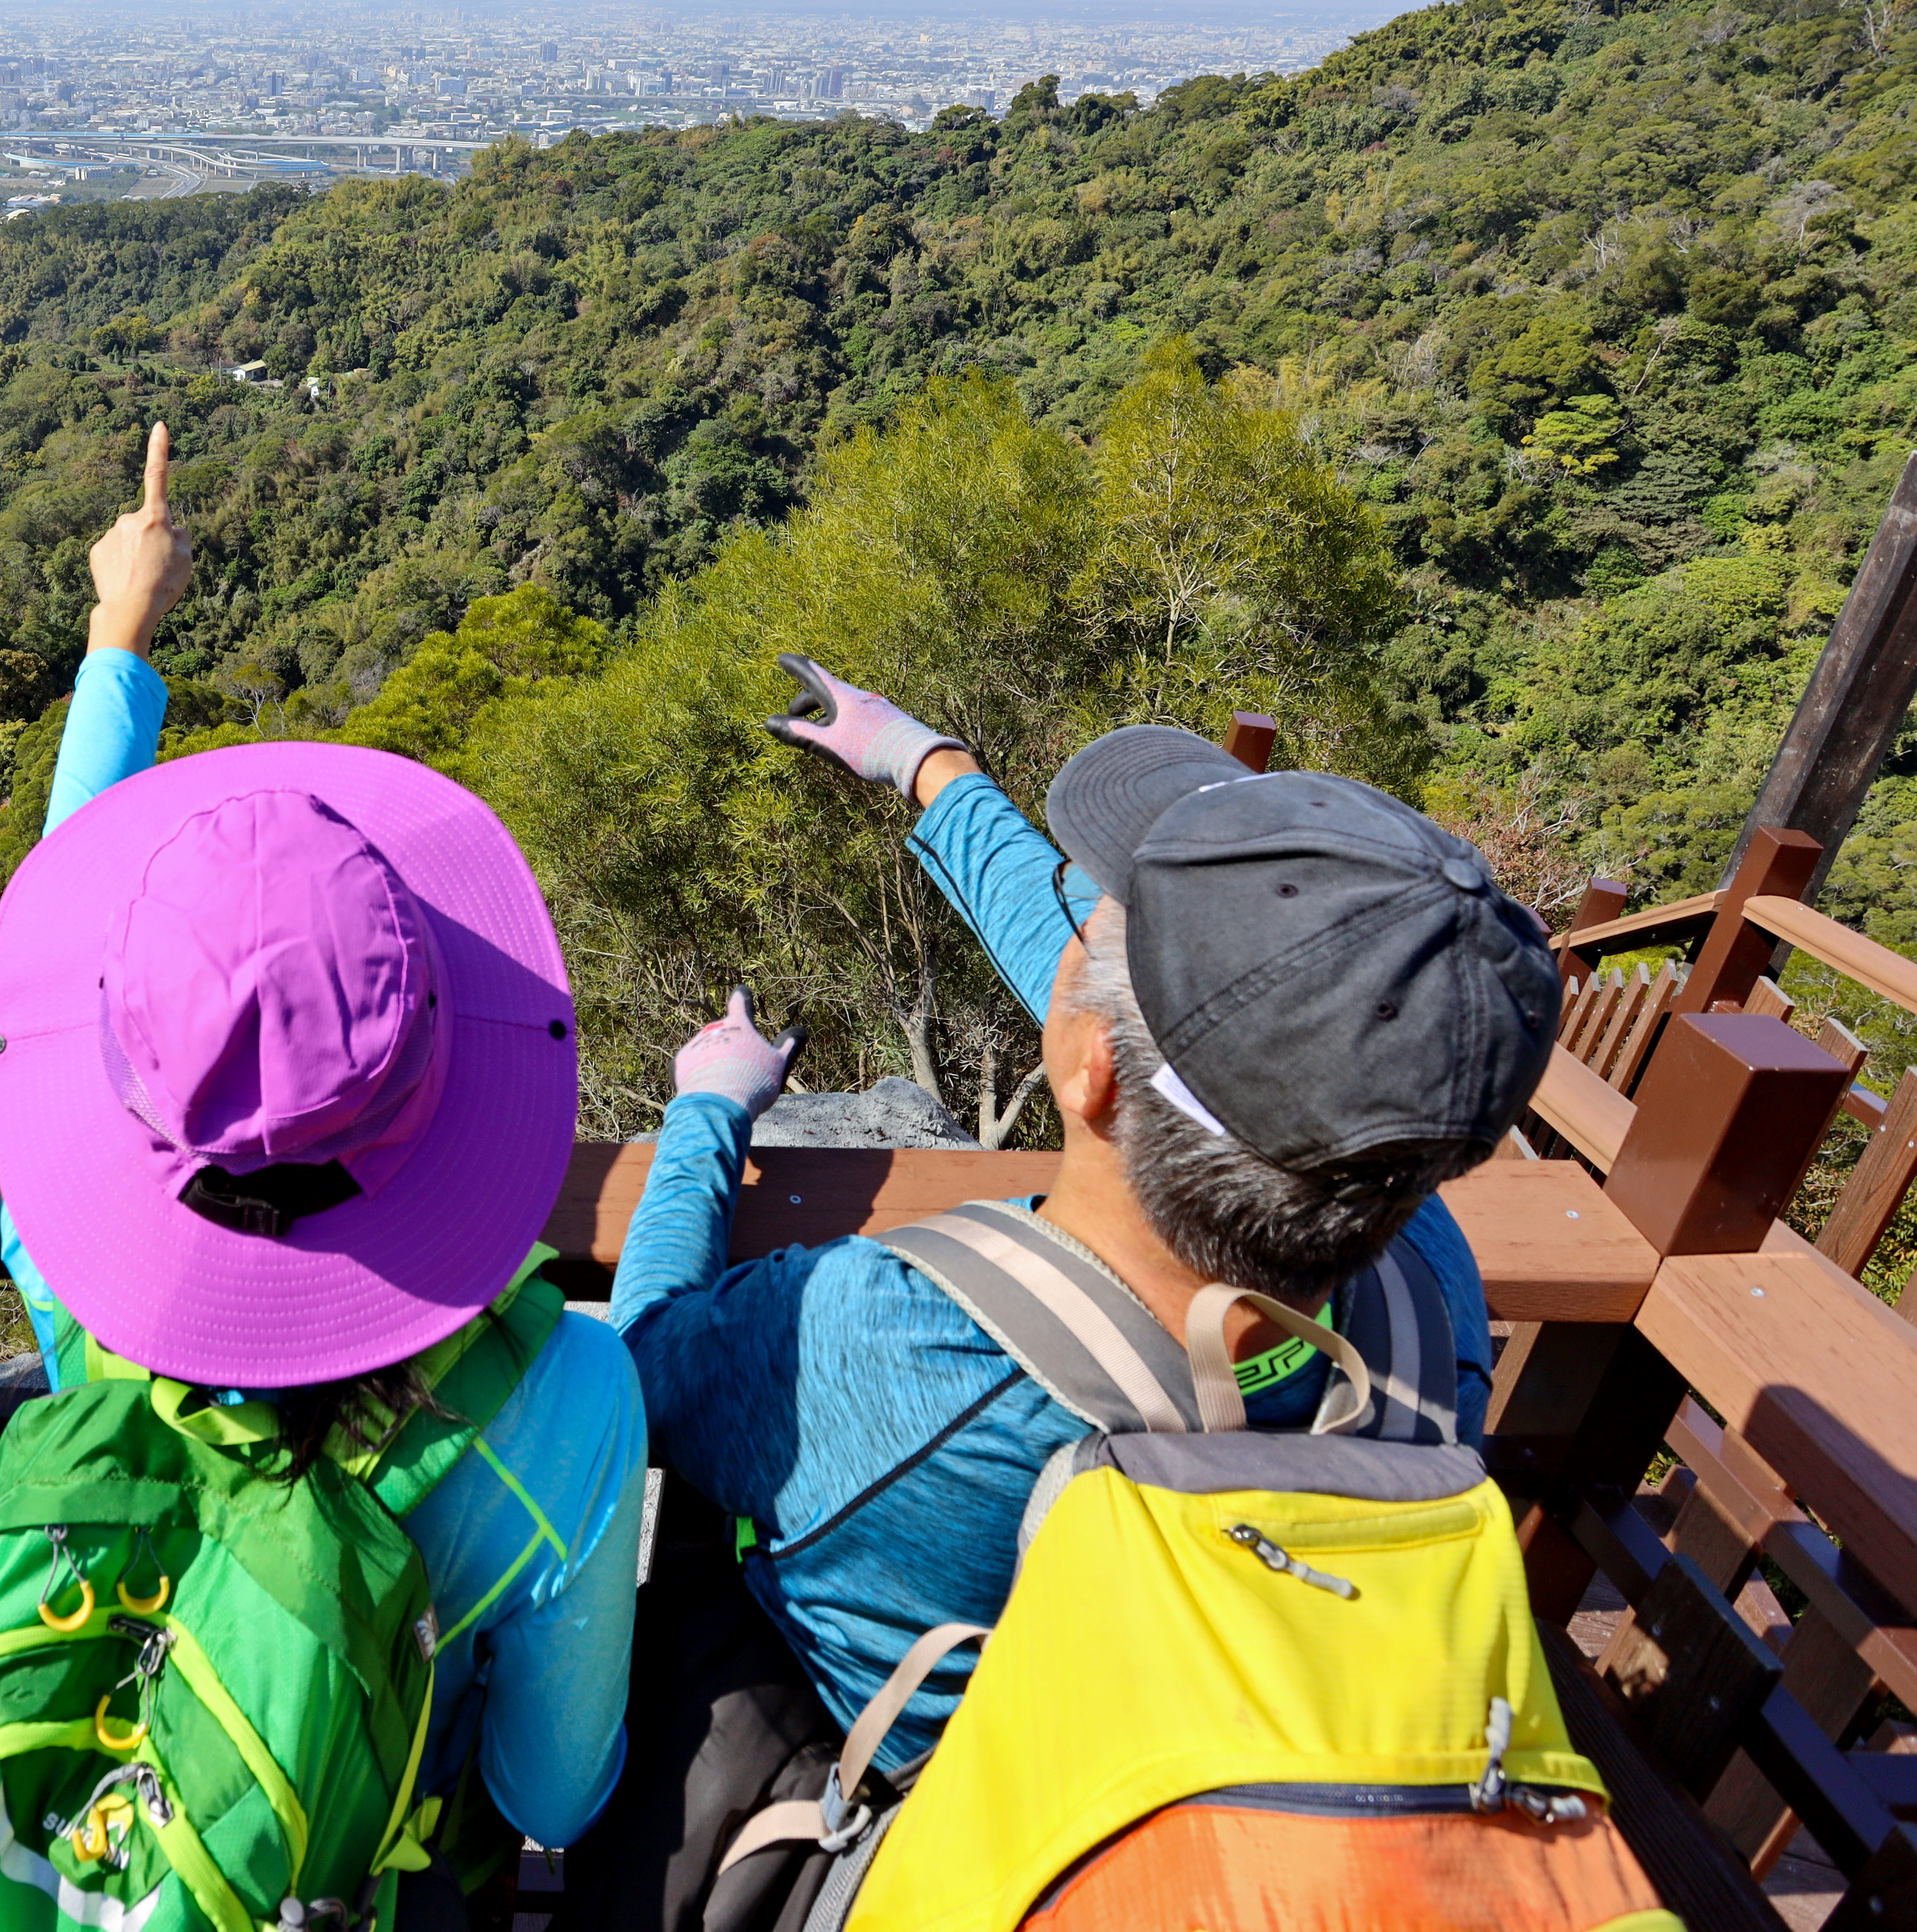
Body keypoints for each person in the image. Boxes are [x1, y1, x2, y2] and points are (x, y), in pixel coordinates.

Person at [589, 660, 1554, 1928]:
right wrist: (934, 774)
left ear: (1089, 1060)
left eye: (1102, 922)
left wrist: (706, 1114)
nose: (1078, 922)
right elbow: (1178, 1030)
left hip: (952, 1828)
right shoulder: (1424, 1265)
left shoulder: (893, 1339)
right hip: (1237, 1808)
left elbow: (644, 1362)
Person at [0, 424, 647, 1877]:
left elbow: (91, 979)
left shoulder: (82, 1287)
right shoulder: (570, 1399)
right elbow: (554, 1797)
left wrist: (119, 640)